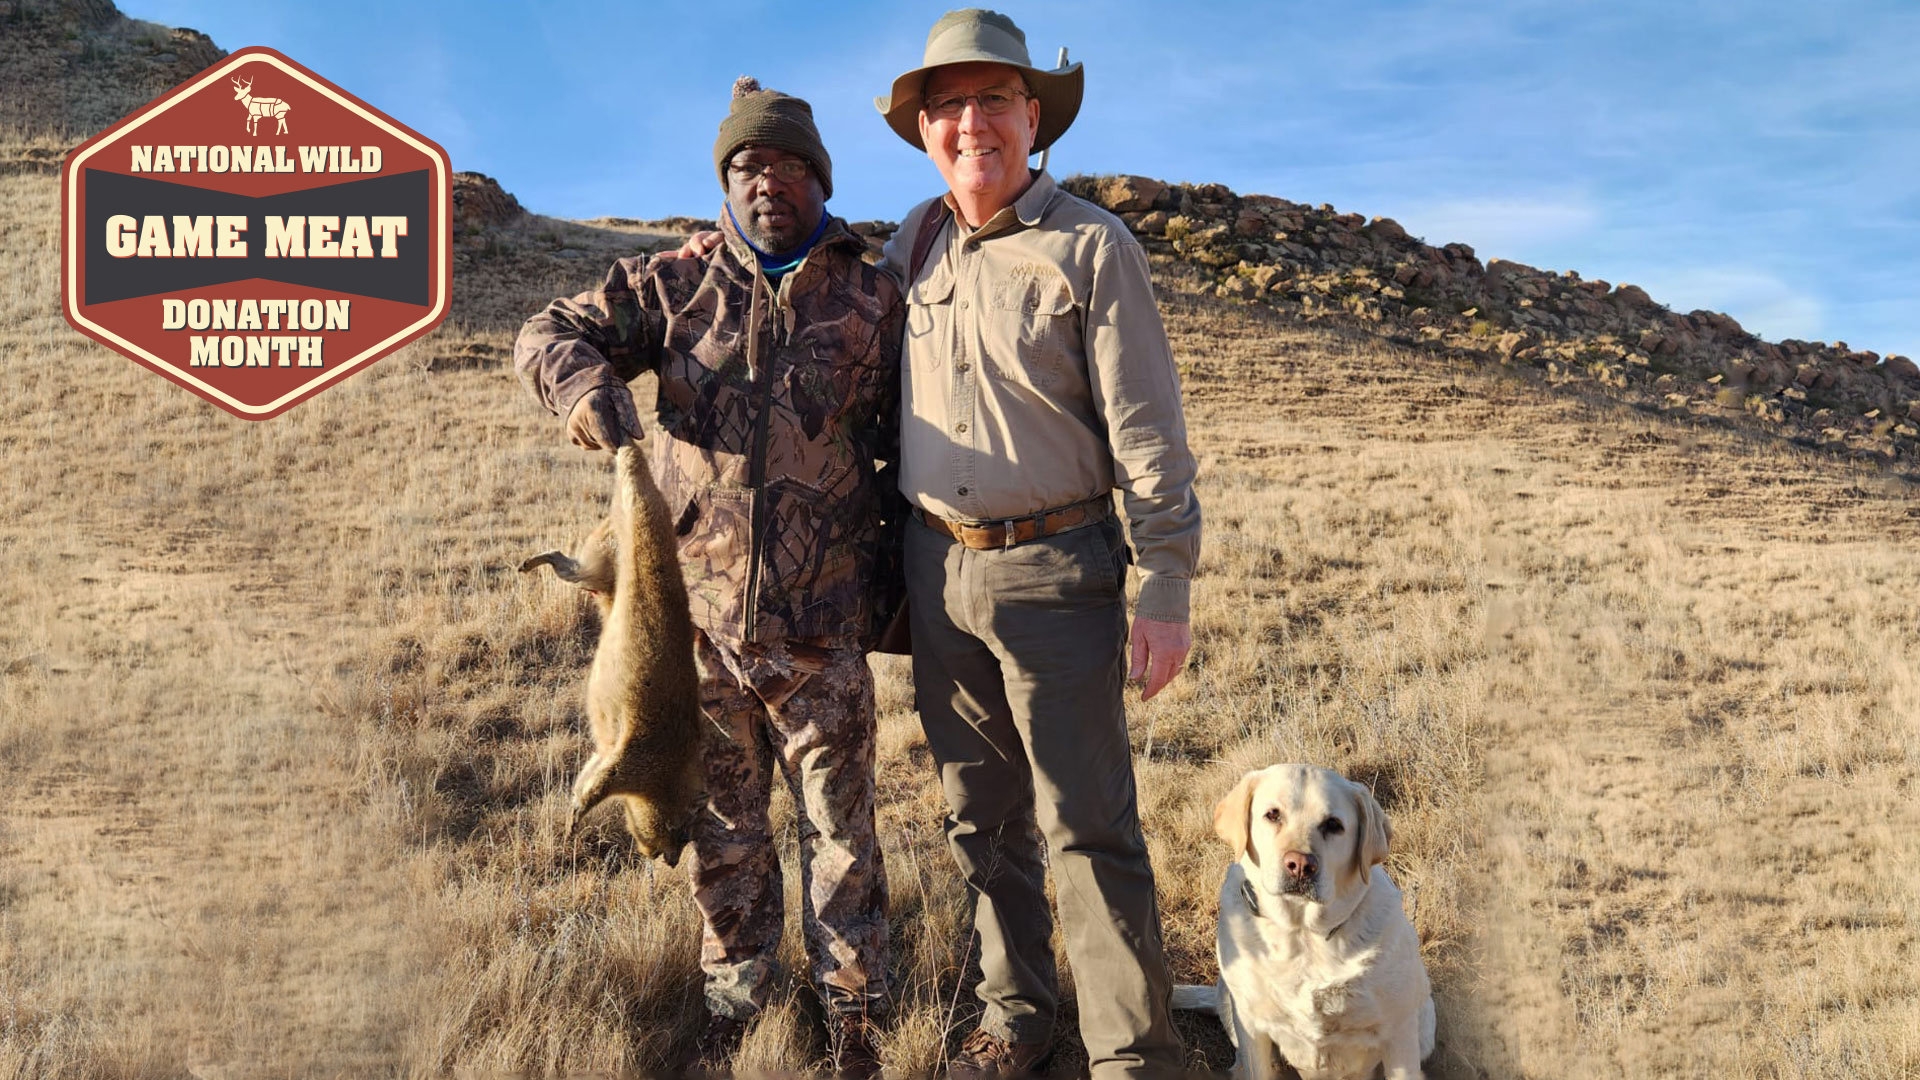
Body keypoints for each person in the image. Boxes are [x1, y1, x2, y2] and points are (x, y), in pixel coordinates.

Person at [513, 76, 904, 1079]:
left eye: (786, 164)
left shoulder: (873, 294)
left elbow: (913, 438)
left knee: (842, 835)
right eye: (746, 166)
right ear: (727, 182)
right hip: (701, 633)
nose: (767, 180)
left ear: (819, 177)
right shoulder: (673, 285)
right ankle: (737, 1001)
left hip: (823, 628)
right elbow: (545, 334)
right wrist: (587, 387)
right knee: (728, 829)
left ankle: (854, 1015)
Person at [874, 9, 1202, 1079]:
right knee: (982, 820)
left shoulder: (1093, 245)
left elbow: (1148, 429)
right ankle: (1016, 1015)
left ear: (1032, 118)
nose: (973, 124)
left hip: (1059, 568)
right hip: (938, 569)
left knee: (1087, 827)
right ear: (927, 128)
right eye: (951, 105)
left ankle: (1130, 1056)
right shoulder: (908, 247)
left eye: (995, 101)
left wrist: (1165, 586)